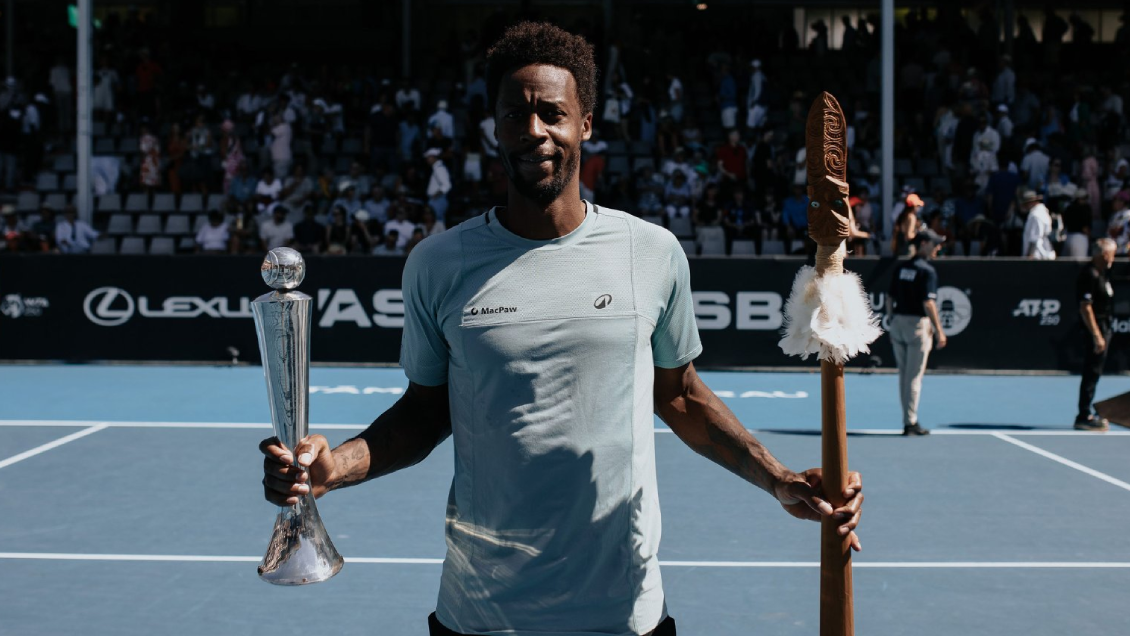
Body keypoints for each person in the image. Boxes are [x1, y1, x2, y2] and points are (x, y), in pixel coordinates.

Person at [258, 22, 862, 636]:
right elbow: (422, 413)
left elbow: (680, 396)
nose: (535, 131)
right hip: (481, 616)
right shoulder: (438, 264)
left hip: (624, 615)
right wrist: (337, 466)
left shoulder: (650, 252)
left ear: (587, 123)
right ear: (495, 127)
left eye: (553, 112)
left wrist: (777, 476)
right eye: (516, 115)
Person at [888, 229, 947, 436]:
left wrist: (891, 318)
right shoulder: (927, 271)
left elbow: (889, 297)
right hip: (916, 326)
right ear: (923, 244)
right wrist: (939, 331)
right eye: (935, 244)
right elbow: (928, 303)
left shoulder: (901, 267)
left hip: (898, 324)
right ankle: (910, 422)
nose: (938, 248)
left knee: (904, 375)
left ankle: (908, 419)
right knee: (913, 377)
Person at [1075, 238, 1117, 431]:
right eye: (1112, 254)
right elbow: (1086, 307)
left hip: (1104, 327)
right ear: (1103, 254)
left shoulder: (1103, 273)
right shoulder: (1089, 274)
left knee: (1095, 371)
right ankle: (1084, 415)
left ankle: (1087, 411)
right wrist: (1097, 335)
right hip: (1095, 329)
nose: (1114, 258)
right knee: (1091, 372)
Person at [1020, 190, 1056, 260]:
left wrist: (1030, 255)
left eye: (1027, 204)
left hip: (1038, 255)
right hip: (1043, 253)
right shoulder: (1042, 212)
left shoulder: (1035, 215)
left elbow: (1035, 237)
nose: (1026, 206)